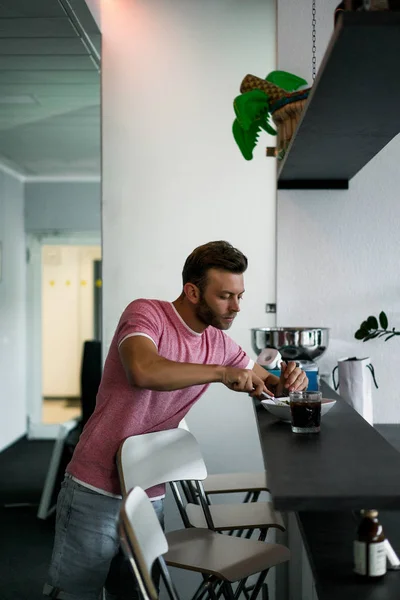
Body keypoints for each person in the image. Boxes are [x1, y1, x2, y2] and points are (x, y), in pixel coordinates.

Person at [43, 240, 307, 600]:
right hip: (94, 487)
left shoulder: (218, 342)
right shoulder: (146, 314)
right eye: (225, 296)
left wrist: (292, 378)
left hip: (147, 491)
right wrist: (219, 372)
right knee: (74, 595)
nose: (236, 307)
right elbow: (142, 369)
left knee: (137, 595)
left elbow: (270, 382)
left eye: (240, 296)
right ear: (193, 291)